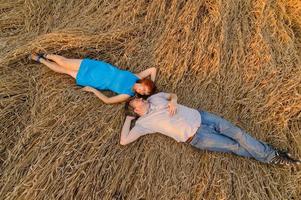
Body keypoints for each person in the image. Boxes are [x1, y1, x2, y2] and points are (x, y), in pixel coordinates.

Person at [120, 92, 301, 165]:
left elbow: (171, 95)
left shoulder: (155, 98)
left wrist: (173, 101)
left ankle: (272, 156)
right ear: (136, 111)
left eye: (140, 97)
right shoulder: (143, 124)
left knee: (238, 133)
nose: (143, 99)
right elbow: (124, 141)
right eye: (139, 100)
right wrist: (128, 121)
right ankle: (274, 156)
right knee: (235, 147)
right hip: (197, 137)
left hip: (201, 116)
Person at [30, 53, 157, 104]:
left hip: (93, 80)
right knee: (65, 62)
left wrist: (93, 90)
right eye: (145, 89)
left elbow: (108, 100)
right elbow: (153, 69)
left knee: (65, 70)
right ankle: (46, 55)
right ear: (145, 83)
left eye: (145, 93)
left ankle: (41, 60)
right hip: (97, 68)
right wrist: (153, 86)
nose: (142, 92)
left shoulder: (127, 94)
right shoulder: (137, 76)